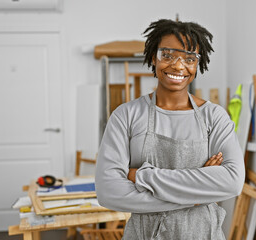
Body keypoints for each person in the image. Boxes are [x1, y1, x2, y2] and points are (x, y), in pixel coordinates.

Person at [95, 19, 245, 240]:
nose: (177, 65)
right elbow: (109, 193)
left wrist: (143, 176)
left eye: (189, 58)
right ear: (153, 57)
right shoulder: (126, 116)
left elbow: (232, 182)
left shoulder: (214, 117)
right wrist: (197, 192)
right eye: (167, 55)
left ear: (197, 64)